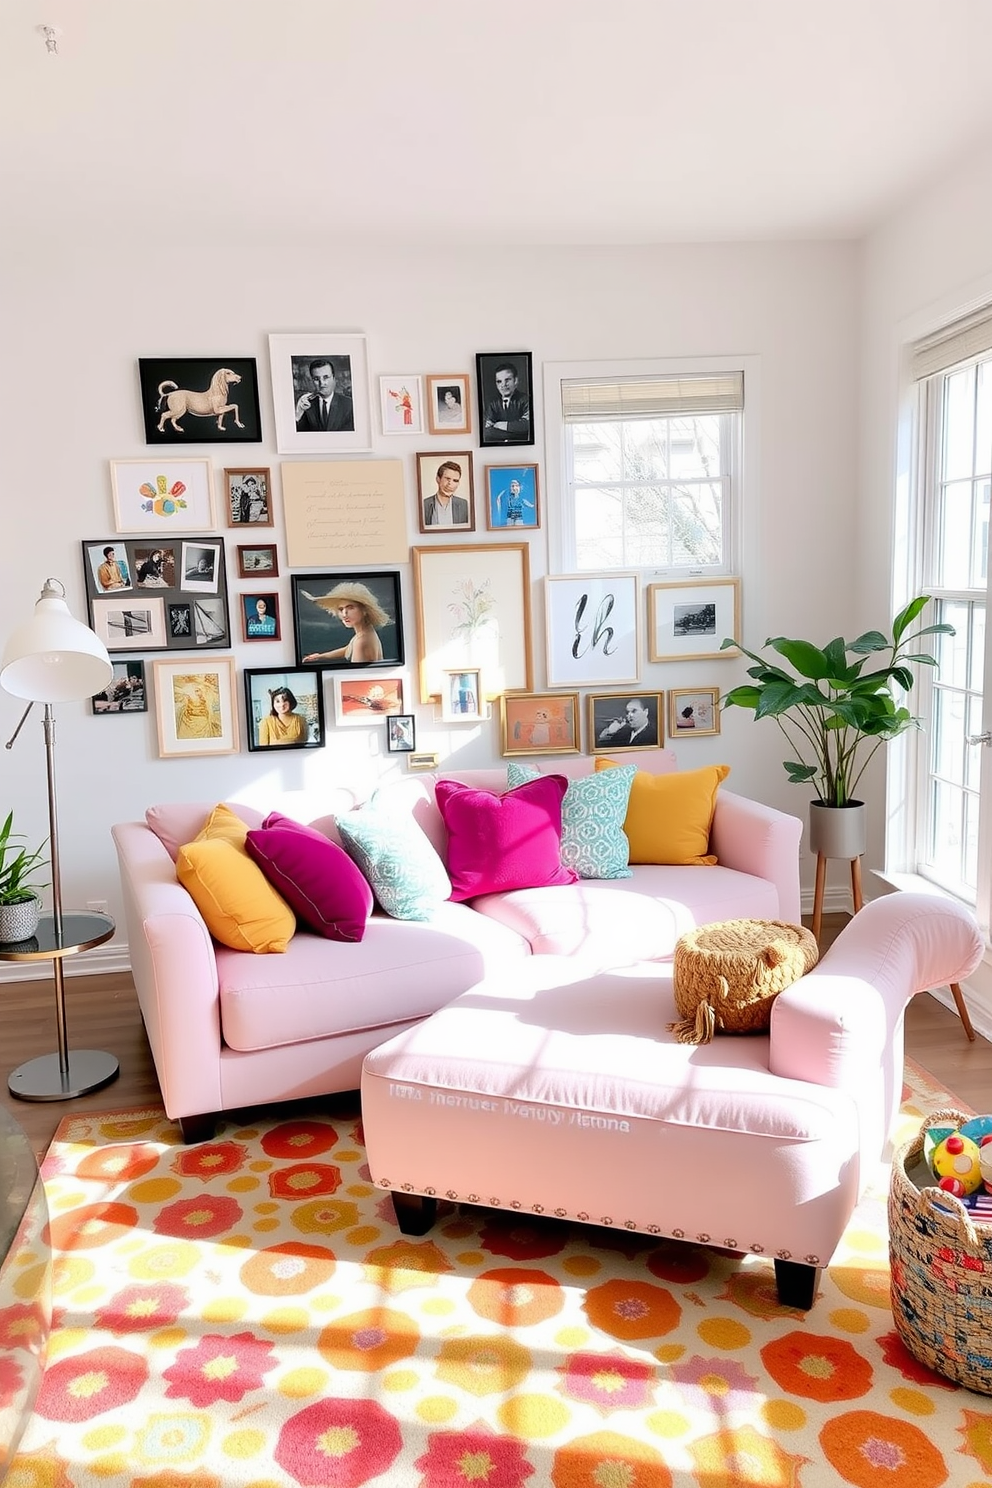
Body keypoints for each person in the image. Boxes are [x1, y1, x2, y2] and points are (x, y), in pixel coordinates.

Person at [301, 581, 388, 663]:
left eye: (350, 607)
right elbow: (348, 649)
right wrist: (320, 656)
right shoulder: (365, 632)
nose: (344, 614)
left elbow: (357, 676)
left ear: (364, 610)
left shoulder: (361, 641)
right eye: (341, 609)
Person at [295, 358, 355, 433]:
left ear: (333, 378)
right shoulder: (306, 405)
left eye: (326, 377)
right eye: (316, 379)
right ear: (312, 380)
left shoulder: (349, 404)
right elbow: (297, 437)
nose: (322, 383)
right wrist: (298, 414)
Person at [483, 361, 531, 443]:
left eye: (507, 380)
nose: (503, 385)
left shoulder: (525, 400)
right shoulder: (493, 403)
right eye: (499, 381)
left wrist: (501, 425)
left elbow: (527, 426)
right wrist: (517, 431)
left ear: (515, 381)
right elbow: (488, 431)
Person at [422, 460, 469, 527]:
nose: (450, 484)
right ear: (438, 479)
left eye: (455, 480)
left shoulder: (464, 504)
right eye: (447, 479)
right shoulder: (424, 504)